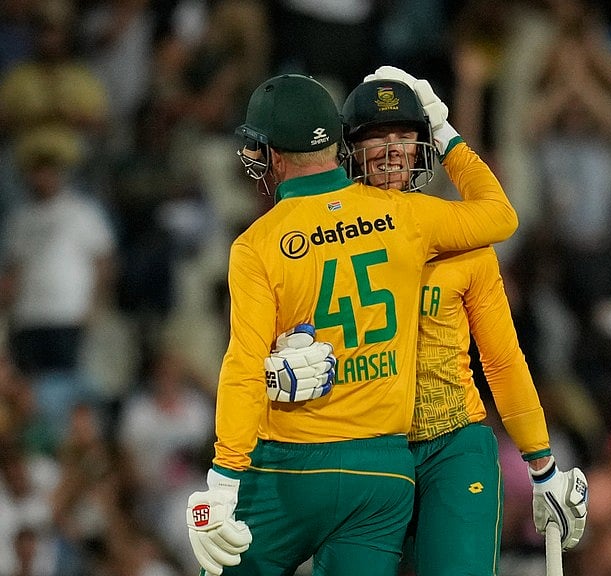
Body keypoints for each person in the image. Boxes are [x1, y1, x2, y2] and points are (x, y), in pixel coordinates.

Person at [183, 72, 519, 576]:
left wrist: (223, 480)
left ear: (273, 156)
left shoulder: (256, 245)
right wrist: (447, 135)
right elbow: (500, 216)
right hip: (383, 474)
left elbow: (243, 368)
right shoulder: (406, 214)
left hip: (289, 466)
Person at [271, 66, 589, 576]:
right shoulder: (319, 237)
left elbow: (502, 359)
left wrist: (542, 465)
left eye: (407, 136)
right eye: (377, 136)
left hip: (452, 445)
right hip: (361, 448)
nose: (394, 149)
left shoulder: (456, 235)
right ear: (347, 150)